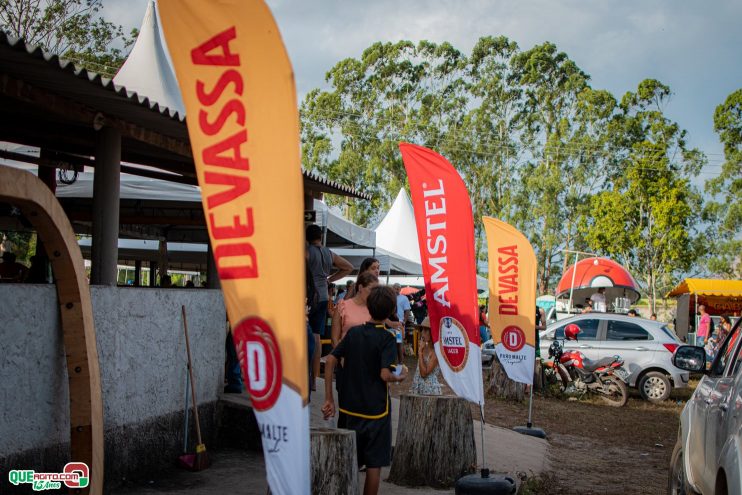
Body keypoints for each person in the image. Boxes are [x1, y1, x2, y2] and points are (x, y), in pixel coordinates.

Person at [322, 285, 407, 495]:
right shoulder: (387, 337)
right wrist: (400, 376)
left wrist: (329, 399)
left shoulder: (353, 333)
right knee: (373, 466)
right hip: (377, 412)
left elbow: (331, 359)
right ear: (390, 311)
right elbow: (384, 375)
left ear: (368, 306)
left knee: (349, 461)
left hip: (350, 409)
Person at [306, 224, 354, 390]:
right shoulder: (328, 253)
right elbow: (348, 267)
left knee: (305, 335)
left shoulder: (306, 252)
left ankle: (305, 376)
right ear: (320, 236)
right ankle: (314, 378)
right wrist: (329, 279)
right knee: (317, 336)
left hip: (309, 296)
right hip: (324, 296)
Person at [331, 272, 378, 347]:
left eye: (376, 290)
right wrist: (342, 356)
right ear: (360, 288)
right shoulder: (342, 306)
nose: (374, 293)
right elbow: (334, 339)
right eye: (371, 289)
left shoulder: (375, 309)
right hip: (347, 356)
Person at [411, 318, 442, 395]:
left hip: (430, 390)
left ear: (432, 333)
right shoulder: (425, 347)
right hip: (419, 387)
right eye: (422, 329)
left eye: (425, 330)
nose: (422, 332)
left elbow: (424, 373)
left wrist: (420, 352)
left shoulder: (435, 352)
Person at [393, 283, 411, 362]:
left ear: (400, 290)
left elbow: (407, 310)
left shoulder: (404, 298)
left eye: (398, 288)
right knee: (390, 344)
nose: (396, 290)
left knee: (399, 343)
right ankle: (392, 362)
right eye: (395, 288)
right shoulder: (389, 297)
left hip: (399, 324)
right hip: (389, 324)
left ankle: (400, 363)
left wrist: (404, 321)